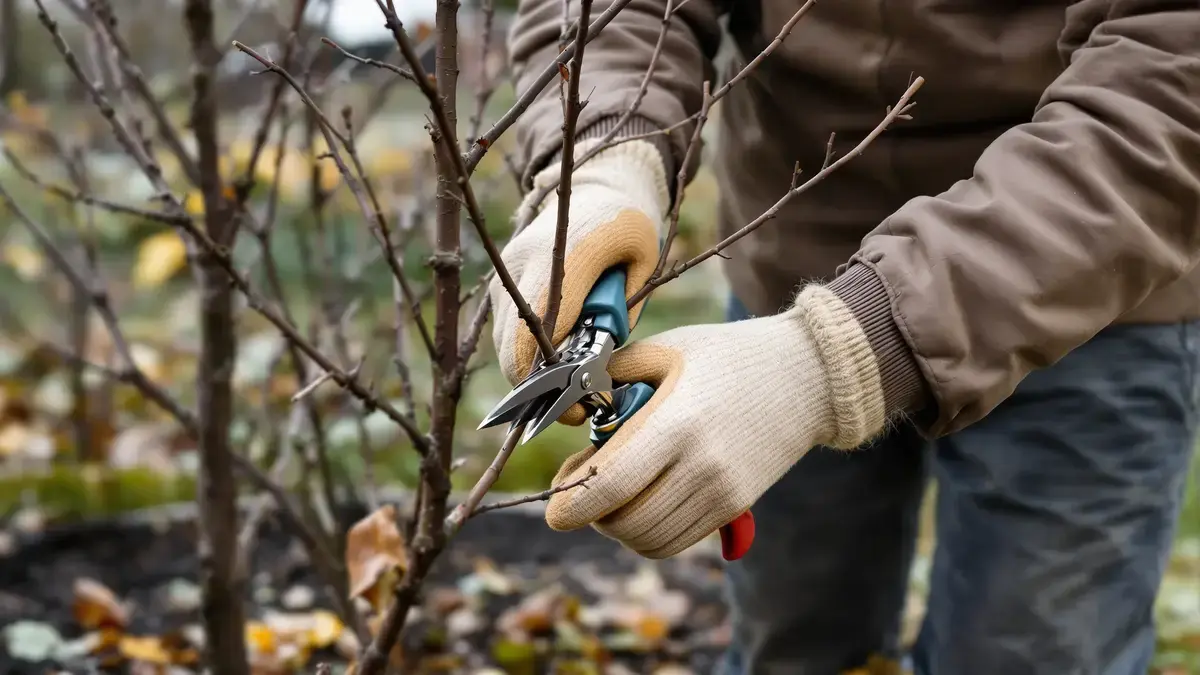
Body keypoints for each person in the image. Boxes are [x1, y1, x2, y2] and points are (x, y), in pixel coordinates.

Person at [489, 1, 1200, 673]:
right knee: (794, 644)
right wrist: (606, 156)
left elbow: (1172, 88)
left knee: (1038, 653)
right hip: (795, 254)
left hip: (1091, 278)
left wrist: (828, 364)